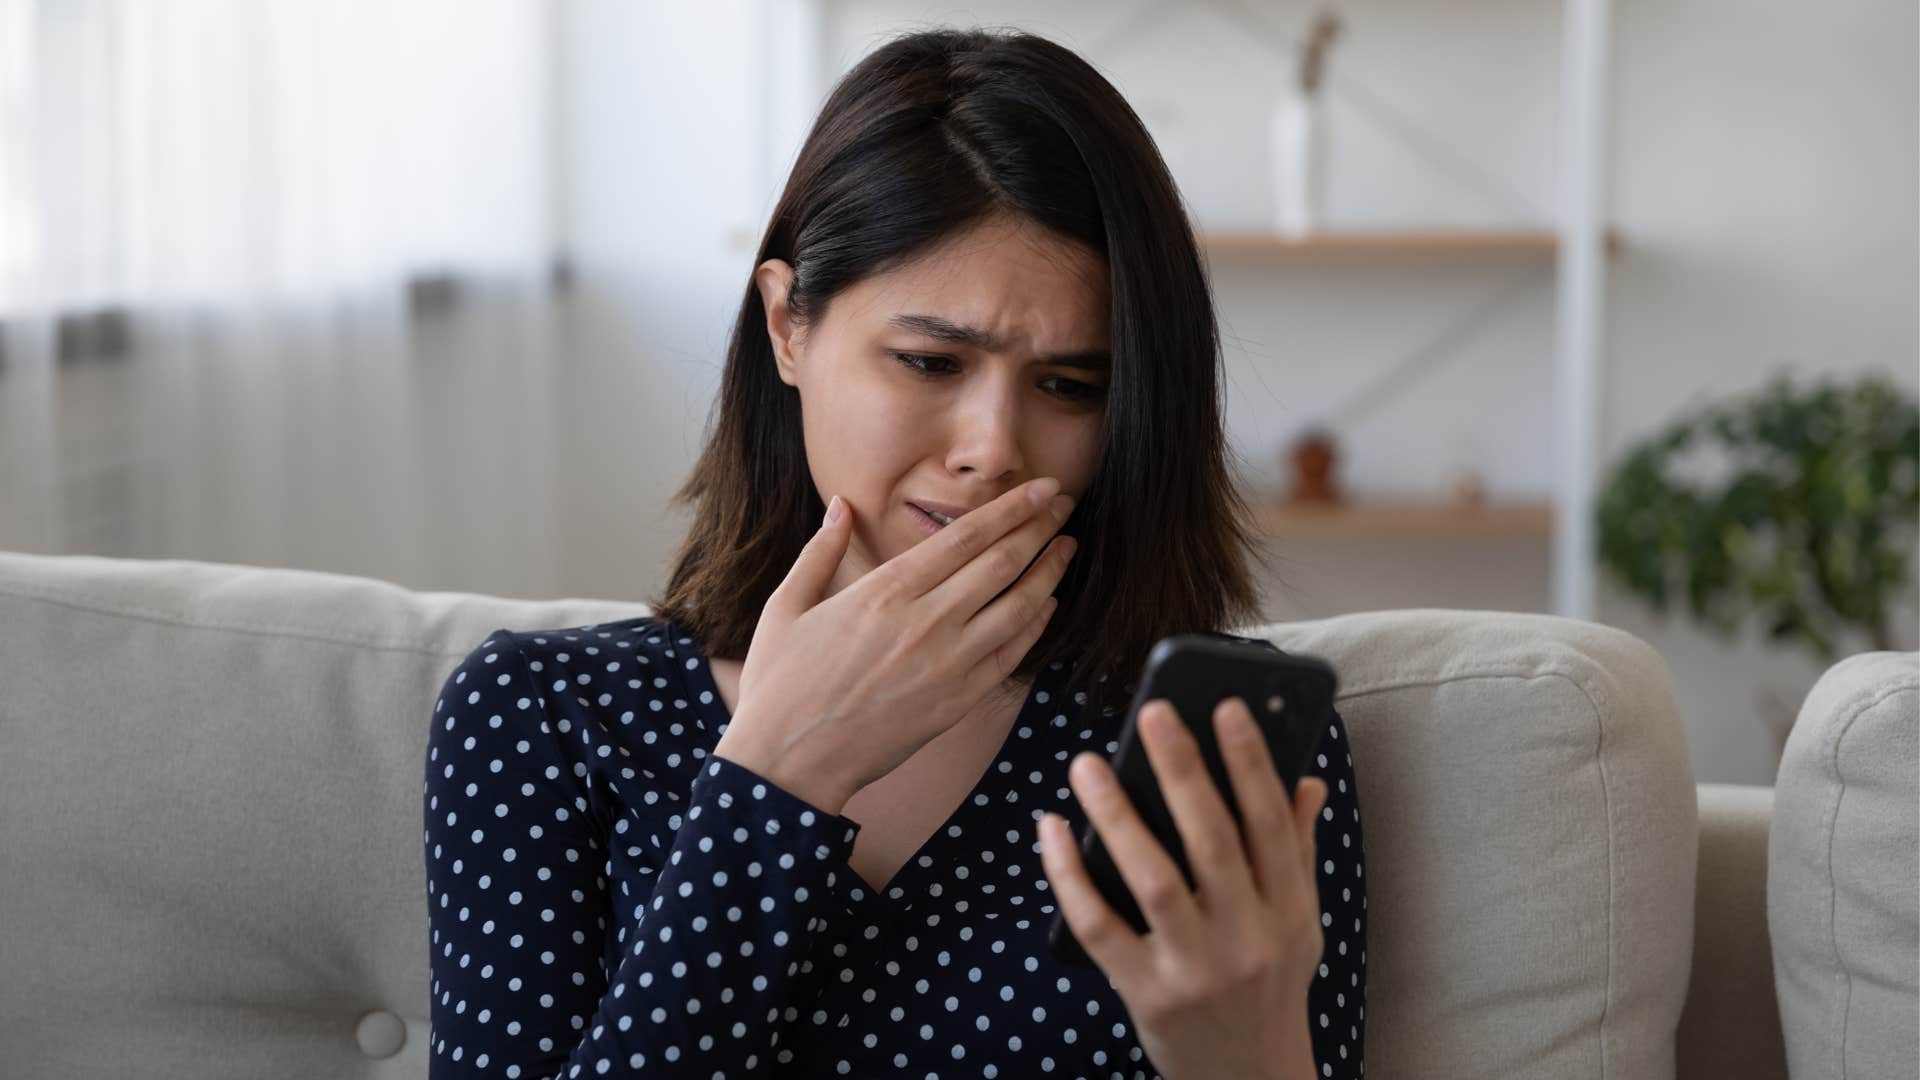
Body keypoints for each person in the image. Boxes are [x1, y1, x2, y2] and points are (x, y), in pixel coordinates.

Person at [423, 27, 1367, 1079]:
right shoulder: (544, 717)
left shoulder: (1206, 755)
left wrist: (1245, 1055)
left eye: (1070, 386)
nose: (993, 451)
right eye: (929, 360)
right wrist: (778, 774)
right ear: (788, 326)